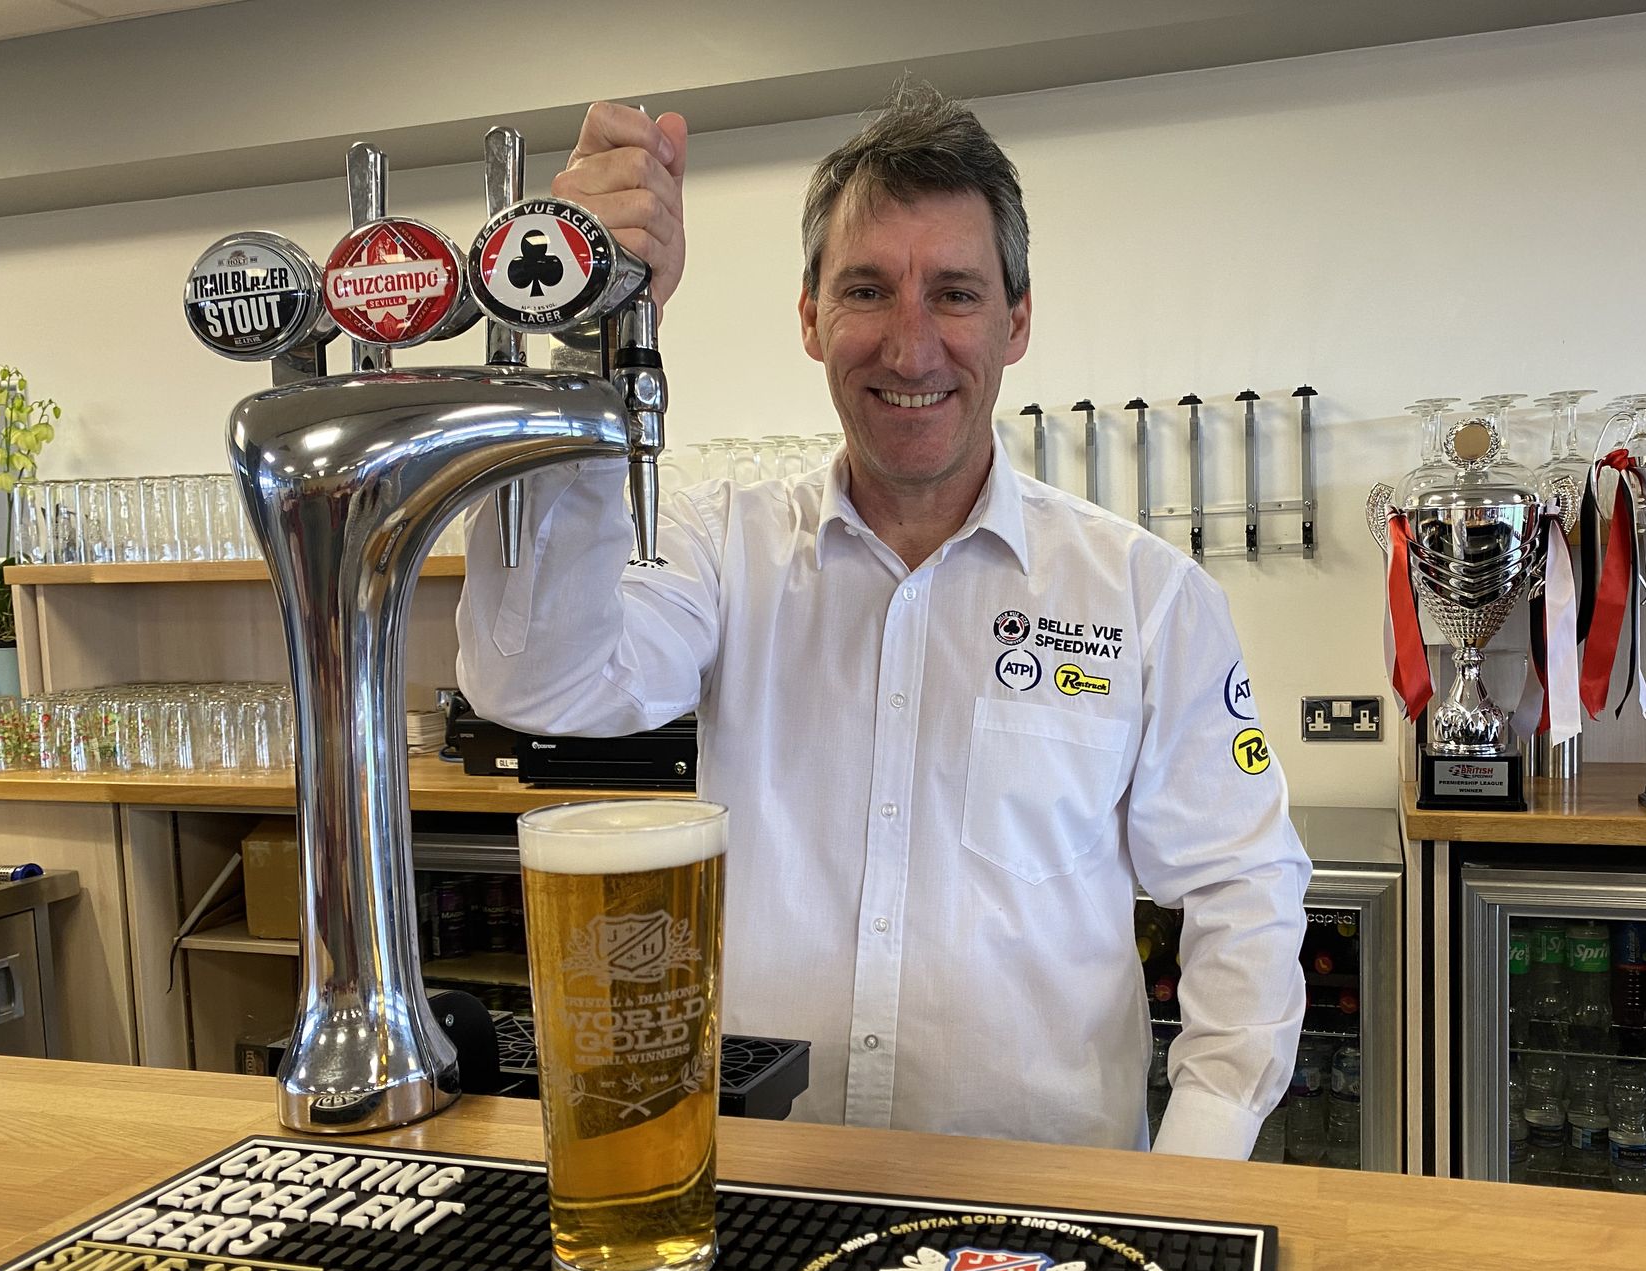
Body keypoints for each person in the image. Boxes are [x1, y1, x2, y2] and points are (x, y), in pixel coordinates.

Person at [457, 81, 1311, 1159]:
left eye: (954, 293)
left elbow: (1243, 887)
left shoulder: (1146, 595)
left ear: (1017, 320)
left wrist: (1195, 1173)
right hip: (769, 1181)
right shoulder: (721, 546)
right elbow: (533, 678)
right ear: (810, 317)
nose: (911, 349)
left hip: (1045, 1205)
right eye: (867, 290)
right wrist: (589, 338)